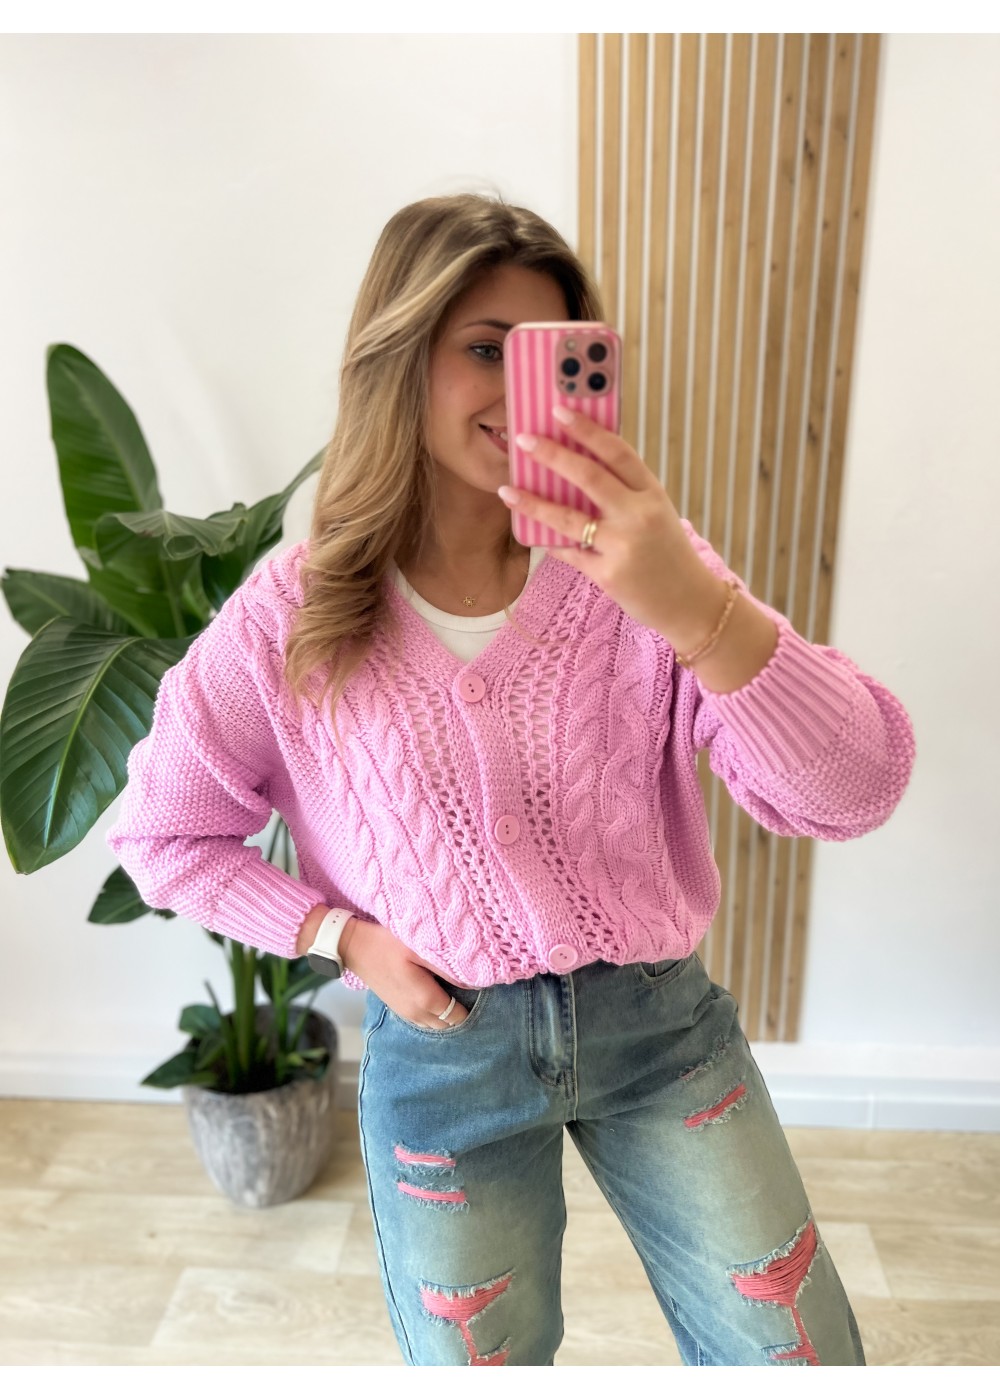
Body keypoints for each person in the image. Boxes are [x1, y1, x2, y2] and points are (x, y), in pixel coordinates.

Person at [108, 193, 915, 1367]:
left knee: (797, 1358)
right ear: (398, 355)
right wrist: (341, 936)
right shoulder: (295, 610)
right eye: (485, 348)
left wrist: (695, 608)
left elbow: (855, 787)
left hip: (661, 1031)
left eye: (551, 353)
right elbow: (163, 834)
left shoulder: (647, 571)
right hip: (447, 1056)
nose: (519, 386)